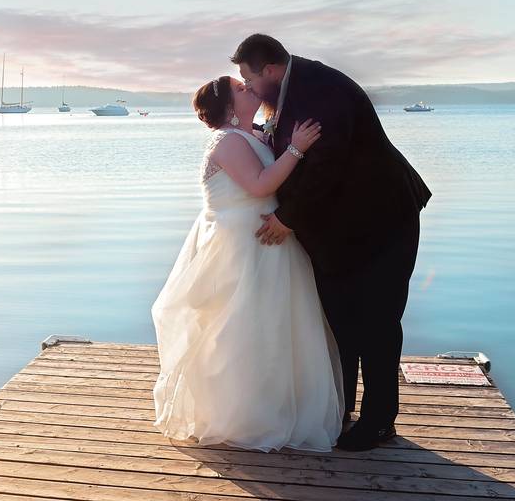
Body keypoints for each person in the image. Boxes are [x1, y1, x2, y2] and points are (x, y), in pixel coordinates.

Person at [231, 34, 431, 451]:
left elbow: (326, 163)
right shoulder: (288, 92)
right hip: (339, 232)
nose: (247, 87)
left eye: (248, 78)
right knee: (341, 323)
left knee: (376, 324)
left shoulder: (322, 90)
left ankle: (379, 422)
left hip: (384, 222)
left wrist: (286, 219)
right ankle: (340, 409)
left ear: (269, 69)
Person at [151, 75, 343, 452]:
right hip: (241, 244)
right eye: (239, 89)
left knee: (273, 325)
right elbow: (259, 185)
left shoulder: (253, 134)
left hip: (266, 239)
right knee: (241, 325)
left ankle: (278, 405)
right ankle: (242, 415)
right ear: (226, 107)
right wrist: (297, 149)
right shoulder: (227, 141)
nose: (248, 89)